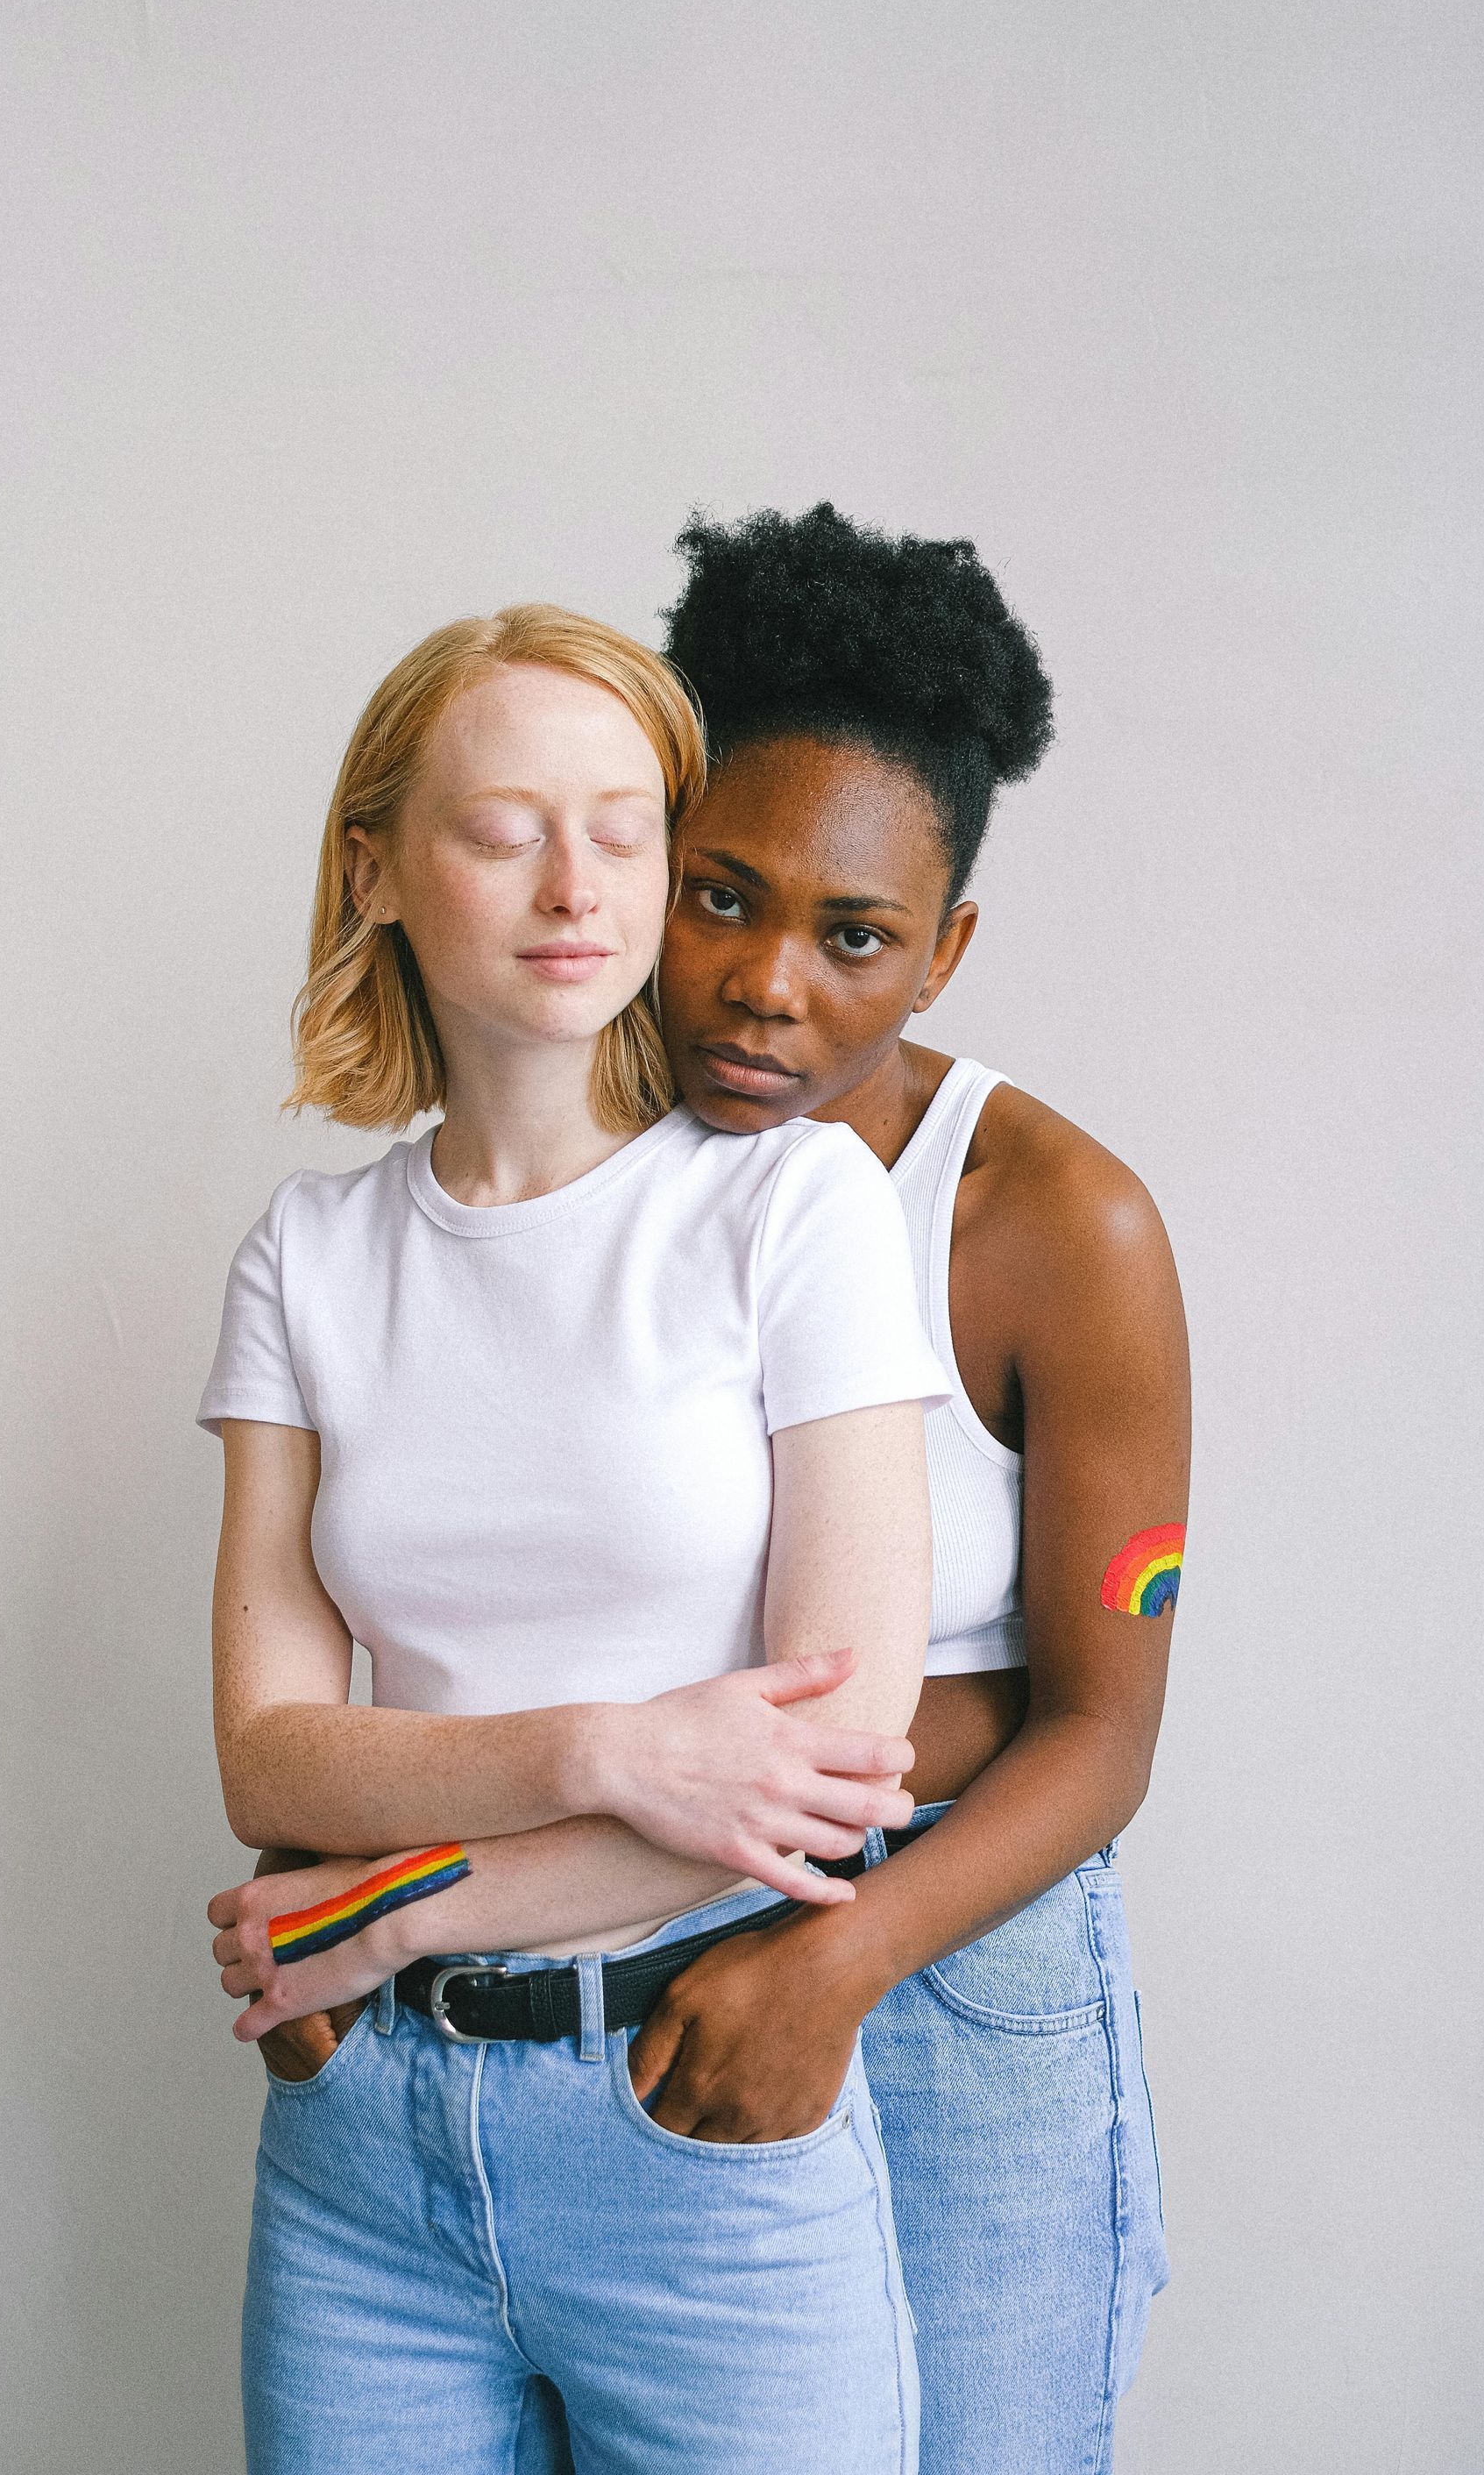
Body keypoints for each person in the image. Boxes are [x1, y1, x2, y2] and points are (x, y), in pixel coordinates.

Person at [198, 600, 949, 2473]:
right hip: (362, 2159)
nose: (574, 885)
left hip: (696, 2124)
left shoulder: (794, 1214)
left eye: (626, 831)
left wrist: (389, 1905)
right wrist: (618, 1748)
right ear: (374, 867)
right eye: (503, 826)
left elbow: (830, 1780)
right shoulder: (310, 1255)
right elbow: (269, 1751)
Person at [623, 502, 1187, 2472]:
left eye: (855, 935)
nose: (770, 982)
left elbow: (1105, 1733)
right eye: (721, 896)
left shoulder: (1056, 1222)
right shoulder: (576, 1161)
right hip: (631, 1912)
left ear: (941, 948)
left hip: (957, 1973)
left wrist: (846, 1954)